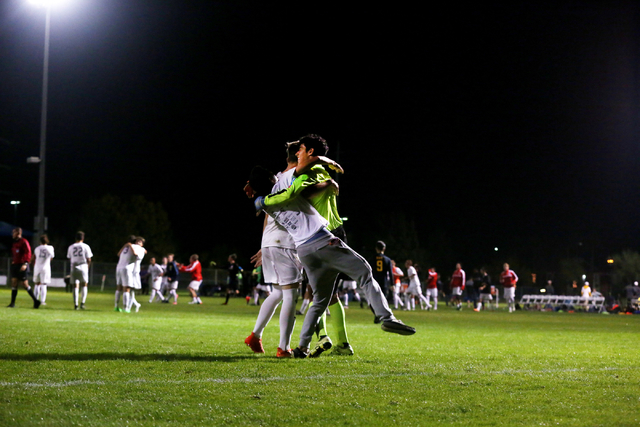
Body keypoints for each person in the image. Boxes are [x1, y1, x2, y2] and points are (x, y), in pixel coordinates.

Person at [250, 165, 415, 358]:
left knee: (320, 300)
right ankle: (387, 317)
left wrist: (255, 191)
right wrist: (327, 177)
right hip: (322, 241)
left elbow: (266, 197)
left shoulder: (264, 202)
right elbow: (299, 173)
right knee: (364, 272)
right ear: (272, 180)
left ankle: (302, 347)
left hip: (304, 250)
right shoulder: (284, 185)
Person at [7, 227, 40, 308]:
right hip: (15, 265)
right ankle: (12, 303)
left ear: (18, 233)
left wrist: (25, 263)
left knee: (25, 284)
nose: (12, 234)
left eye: (14, 233)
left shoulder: (24, 242)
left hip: (22, 265)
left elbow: (28, 253)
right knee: (14, 282)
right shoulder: (14, 243)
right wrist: (14, 260)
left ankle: (36, 301)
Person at [67, 231, 94, 310]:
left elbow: (69, 258)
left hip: (74, 267)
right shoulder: (86, 246)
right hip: (83, 266)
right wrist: (87, 267)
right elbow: (89, 259)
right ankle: (82, 303)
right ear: (83, 238)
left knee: (75, 286)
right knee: (84, 285)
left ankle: (75, 304)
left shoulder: (71, 246)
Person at [31, 234, 54, 305]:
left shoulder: (37, 249)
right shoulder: (50, 248)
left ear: (40, 241)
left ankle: (35, 299)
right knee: (44, 284)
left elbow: (32, 259)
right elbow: (52, 257)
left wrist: (33, 265)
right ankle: (42, 301)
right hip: (45, 268)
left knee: (37, 284)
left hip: (37, 267)